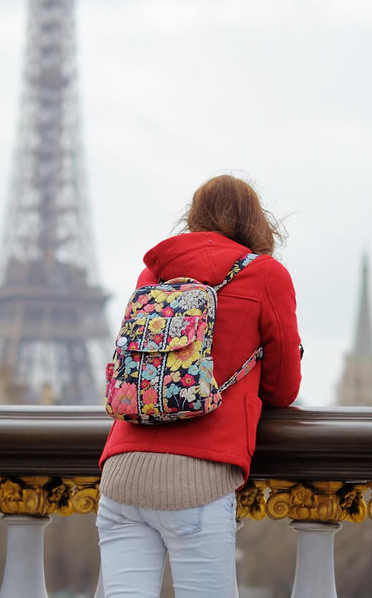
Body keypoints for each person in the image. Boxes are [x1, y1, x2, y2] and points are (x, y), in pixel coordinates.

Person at [97, 174, 303, 597]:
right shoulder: (266, 275)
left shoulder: (153, 273)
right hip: (198, 478)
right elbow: (283, 390)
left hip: (121, 470)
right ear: (257, 223)